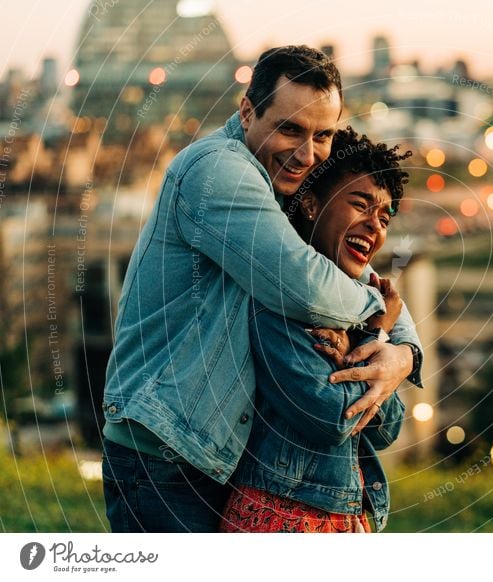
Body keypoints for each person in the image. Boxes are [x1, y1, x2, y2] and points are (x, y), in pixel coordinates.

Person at [101, 46, 423, 532]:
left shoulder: (279, 187)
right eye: (290, 128)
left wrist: (403, 354)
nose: (307, 153)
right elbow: (306, 283)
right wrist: (381, 320)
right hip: (163, 454)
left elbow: (358, 281)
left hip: (210, 455)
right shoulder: (218, 171)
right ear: (247, 111)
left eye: (323, 135)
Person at [221, 128, 410, 533]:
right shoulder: (279, 297)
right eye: (360, 205)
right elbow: (331, 416)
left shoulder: (356, 304)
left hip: (345, 515)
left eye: (384, 217)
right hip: (280, 519)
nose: (374, 226)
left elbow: (388, 426)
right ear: (309, 203)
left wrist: (369, 339)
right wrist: (377, 333)